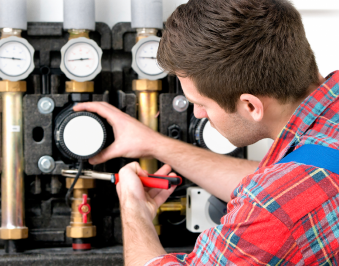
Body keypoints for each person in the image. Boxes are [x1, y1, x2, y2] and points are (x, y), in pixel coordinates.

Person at [74, 0, 339, 264]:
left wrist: (134, 209)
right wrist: (152, 143)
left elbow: (275, 203)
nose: (198, 114)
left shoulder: (273, 212)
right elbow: (293, 181)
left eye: (201, 104)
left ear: (250, 105)